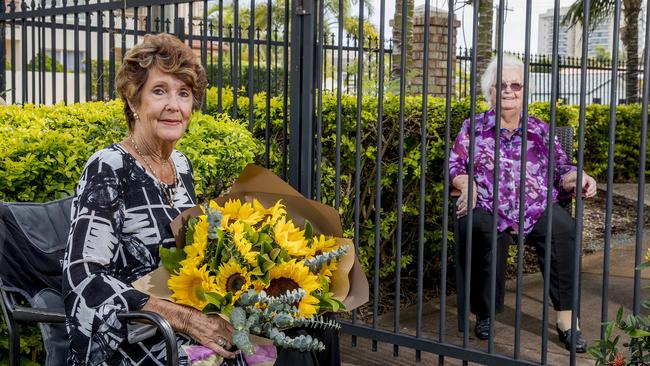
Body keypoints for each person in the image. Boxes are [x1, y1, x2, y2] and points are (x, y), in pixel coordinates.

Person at [62, 33, 242, 365]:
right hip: (129, 338)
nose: (174, 105)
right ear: (134, 101)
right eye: (160, 91)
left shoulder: (182, 166)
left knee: (281, 344)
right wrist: (185, 319)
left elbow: (189, 260)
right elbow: (84, 277)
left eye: (184, 93)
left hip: (180, 331)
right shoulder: (109, 168)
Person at [449, 55, 597, 353]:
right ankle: (485, 312)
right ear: (489, 90)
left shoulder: (540, 129)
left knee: (563, 229)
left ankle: (567, 319)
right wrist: (468, 183)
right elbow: (455, 167)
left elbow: (561, 169)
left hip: (534, 206)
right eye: (500, 85)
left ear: (524, 90)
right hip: (488, 204)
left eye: (515, 85)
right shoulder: (472, 127)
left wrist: (578, 177)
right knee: (480, 228)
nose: (508, 90)